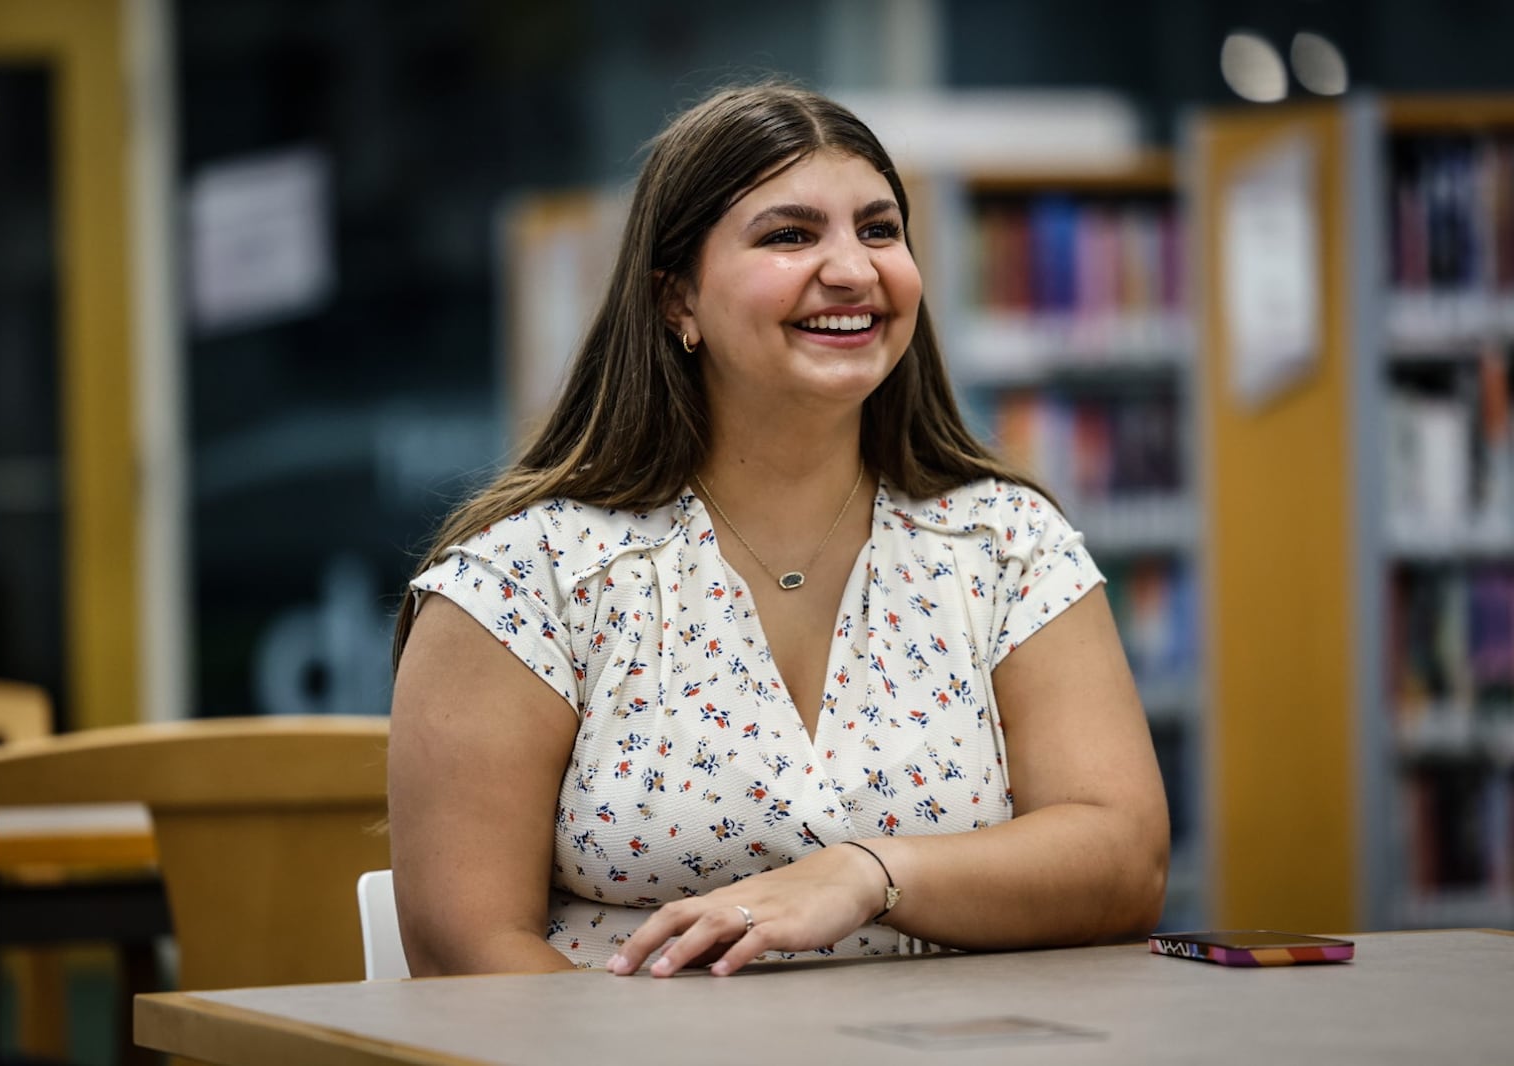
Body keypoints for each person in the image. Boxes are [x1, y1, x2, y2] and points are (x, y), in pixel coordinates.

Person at [388, 82, 1169, 980]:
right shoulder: (524, 577)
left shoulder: (1007, 542)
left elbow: (1124, 862)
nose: (852, 269)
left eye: (879, 230)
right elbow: (466, 952)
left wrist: (870, 873)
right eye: (790, 236)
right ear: (676, 300)